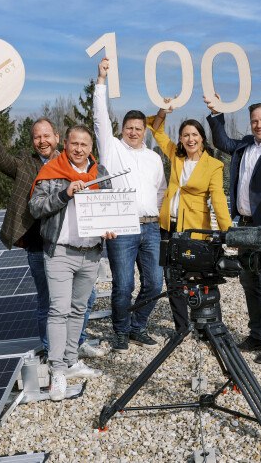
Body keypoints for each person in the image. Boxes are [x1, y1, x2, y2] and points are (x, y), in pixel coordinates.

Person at [0, 108, 104, 360]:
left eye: (46, 136)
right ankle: (49, 347)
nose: (42, 141)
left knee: (84, 298)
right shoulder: (27, 164)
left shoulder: (74, 163)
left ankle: (76, 342)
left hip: (74, 243)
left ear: (57, 138)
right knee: (49, 301)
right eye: (36, 137)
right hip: (38, 242)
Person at [29, 124, 117, 401]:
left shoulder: (100, 173)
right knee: (59, 310)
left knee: (79, 310)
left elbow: (110, 207)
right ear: (65, 144)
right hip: (60, 252)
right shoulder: (51, 172)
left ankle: (70, 360)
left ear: (91, 148)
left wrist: (110, 227)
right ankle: (56, 370)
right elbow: (35, 207)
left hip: (91, 253)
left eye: (85, 145)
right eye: (74, 144)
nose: (79, 149)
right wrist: (64, 193)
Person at [205, 97, 261, 364]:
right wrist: (217, 112)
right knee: (249, 281)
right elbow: (222, 142)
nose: (259, 125)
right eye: (255, 120)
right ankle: (256, 335)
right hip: (244, 224)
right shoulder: (244, 145)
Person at [93, 58, 168, 354]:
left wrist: (154, 213)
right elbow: (99, 117)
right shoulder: (111, 149)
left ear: (145, 130)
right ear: (122, 129)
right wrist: (101, 81)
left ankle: (138, 326)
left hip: (150, 227)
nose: (134, 132)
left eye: (138, 128)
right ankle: (120, 332)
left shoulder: (153, 157)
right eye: (129, 128)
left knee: (154, 282)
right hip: (122, 227)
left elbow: (161, 190)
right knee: (123, 285)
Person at [148, 105, 232, 334]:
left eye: (194, 134)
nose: (190, 138)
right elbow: (156, 132)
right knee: (172, 278)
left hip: (195, 230)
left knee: (201, 278)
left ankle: (209, 326)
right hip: (169, 226)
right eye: (185, 135)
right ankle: (181, 327)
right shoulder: (176, 154)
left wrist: (229, 231)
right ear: (181, 139)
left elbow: (218, 198)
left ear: (202, 139)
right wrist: (162, 112)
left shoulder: (214, 165)